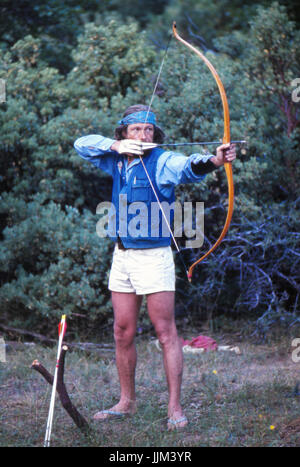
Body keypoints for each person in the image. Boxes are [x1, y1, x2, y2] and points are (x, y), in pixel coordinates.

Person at [74, 104, 236, 430]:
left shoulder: (161, 160)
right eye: (135, 130)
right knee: (122, 331)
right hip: (123, 256)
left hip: (154, 257)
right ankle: (127, 401)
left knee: (165, 333)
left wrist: (217, 159)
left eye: (148, 130)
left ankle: (175, 408)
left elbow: (188, 166)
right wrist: (114, 145)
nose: (143, 135)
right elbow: (81, 144)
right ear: (124, 133)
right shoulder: (117, 158)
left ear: (155, 134)